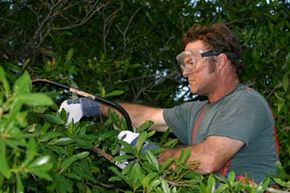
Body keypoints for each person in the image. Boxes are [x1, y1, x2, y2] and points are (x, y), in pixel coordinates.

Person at [60, 23, 279, 183]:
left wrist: (145, 152)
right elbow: (145, 118)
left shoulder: (247, 102)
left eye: (191, 61)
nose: (185, 71)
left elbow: (206, 160)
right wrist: (91, 106)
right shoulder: (196, 111)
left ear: (220, 61)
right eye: (184, 63)